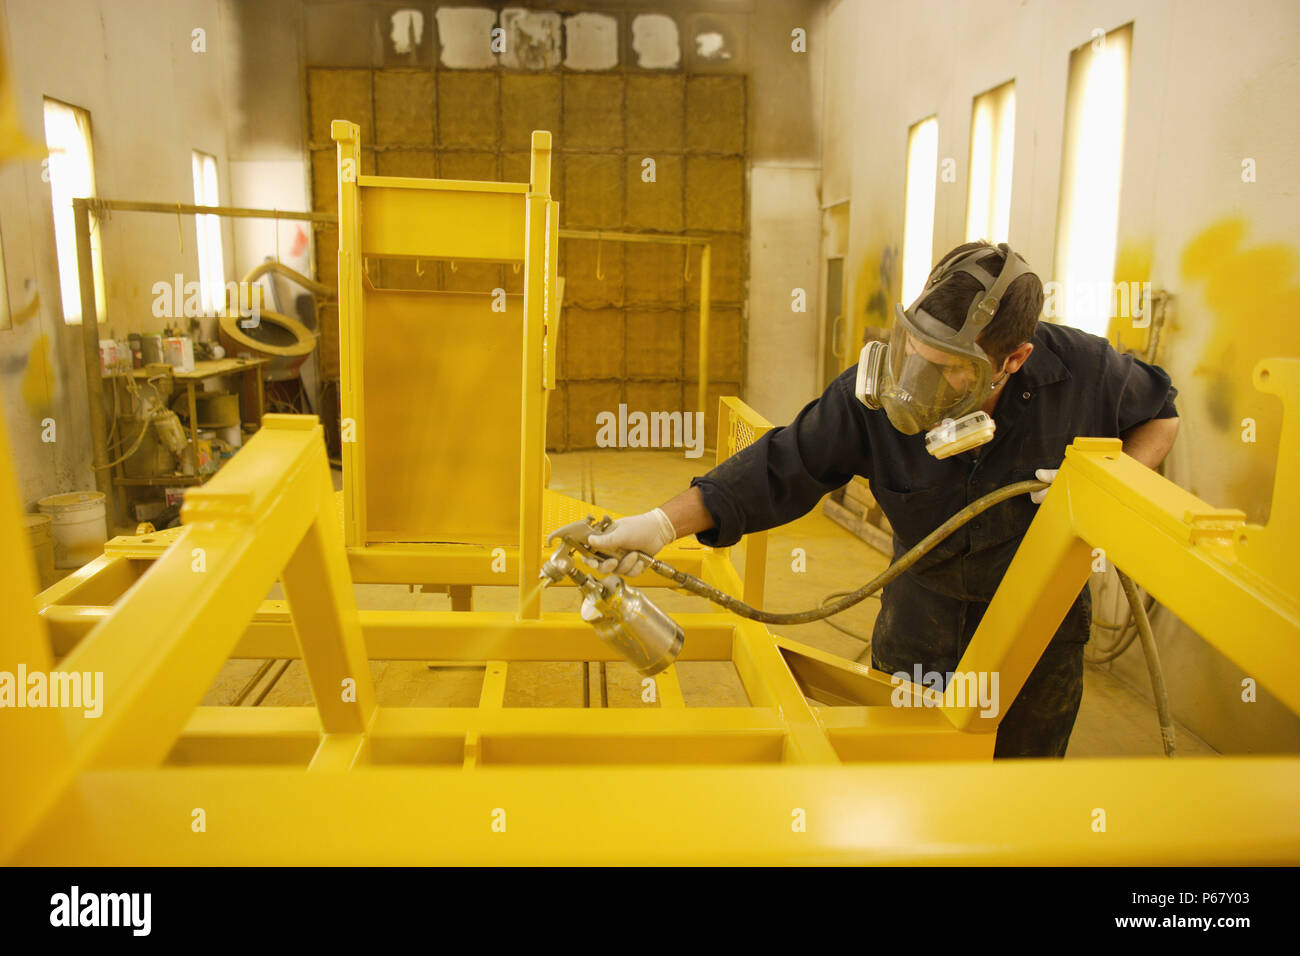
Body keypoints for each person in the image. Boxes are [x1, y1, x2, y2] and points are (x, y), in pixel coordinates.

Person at [585, 240, 1180, 758]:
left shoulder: (1082, 371)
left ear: (1013, 360)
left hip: (1039, 628)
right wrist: (661, 524)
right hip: (920, 619)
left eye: (948, 370)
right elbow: (782, 466)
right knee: (900, 777)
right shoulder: (872, 398)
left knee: (1021, 791)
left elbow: (1161, 416)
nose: (914, 380)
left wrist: (1101, 484)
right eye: (912, 350)